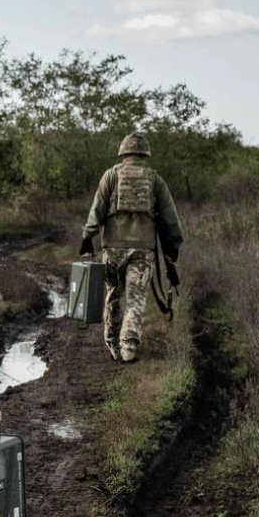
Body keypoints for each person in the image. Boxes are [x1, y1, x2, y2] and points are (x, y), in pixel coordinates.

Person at [79, 132, 185, 362]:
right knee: (136, 298)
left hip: (113, 248)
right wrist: (173, 245)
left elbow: (97, 208)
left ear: (123, 153)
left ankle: (112, 343)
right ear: (145, 154)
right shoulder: (155, 180)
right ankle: (129, 347)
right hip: (142, 250)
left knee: (114, 295)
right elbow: (170, 217)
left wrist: (88, 236)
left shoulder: (110, 176)